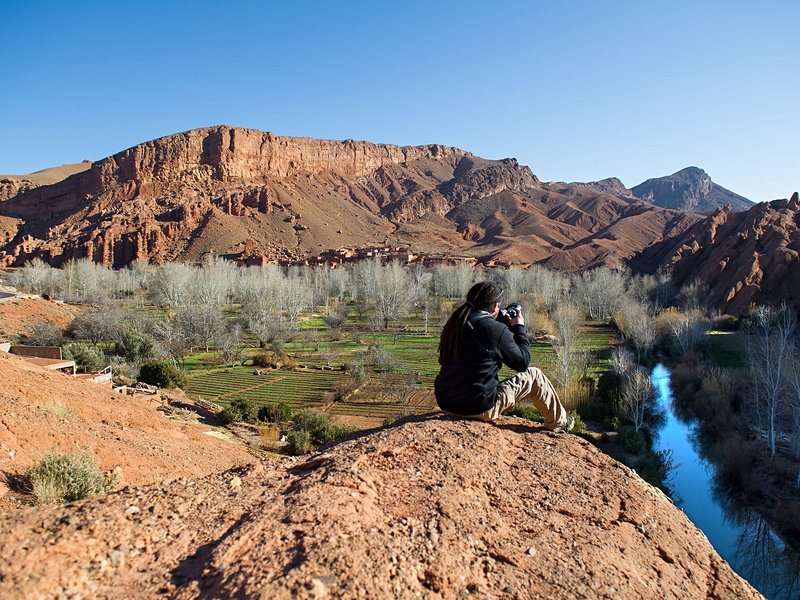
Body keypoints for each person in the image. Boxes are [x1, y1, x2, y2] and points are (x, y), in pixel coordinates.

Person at [434, 281, 574, 432]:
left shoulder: (455, 324)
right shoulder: (495, 330)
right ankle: (560, 423)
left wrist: (500, 323)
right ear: (495, 306)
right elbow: (522, 362)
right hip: (479, 408)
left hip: (447, 403)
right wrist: (519, 328)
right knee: (534, 376)